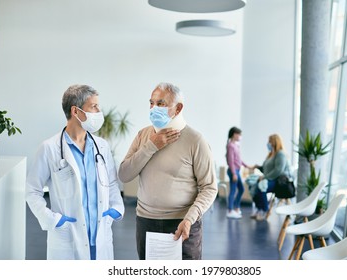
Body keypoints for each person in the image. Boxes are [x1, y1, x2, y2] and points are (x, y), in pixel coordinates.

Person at [118, 82, 217, 260]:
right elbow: (124, 174)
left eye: (161, 103)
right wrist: (151, 146)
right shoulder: (143, 136)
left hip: (183, 224)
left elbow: (210, 187)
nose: (153, 108)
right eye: (151, 103)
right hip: (146, 222)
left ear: (178, 108)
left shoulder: (196, 141)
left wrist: (189, 219)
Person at [26, 84, 125, 260]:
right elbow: (32, 191)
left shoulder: (101, 146)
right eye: (93, 106)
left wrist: (116, 209)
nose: (99, 111)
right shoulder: (49, 148)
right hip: (68, 236)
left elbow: (111, 183)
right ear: (76, 111)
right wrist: (52, 219)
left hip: (100, 234)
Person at [249, 134, 291, 221]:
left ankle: (265, 210)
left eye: (269, 141)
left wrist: (265, 177)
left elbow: (278, 170)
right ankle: (259, 208)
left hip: (278, 181)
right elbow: (266, 169)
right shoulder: (271, 154)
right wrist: (258, 167)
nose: (268, 143)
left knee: (261, 186)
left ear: (275, 142)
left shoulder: (280, 154)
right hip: (270, 178)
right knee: (252, 185)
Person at [225, 126, 248, 219]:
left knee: (241, 189)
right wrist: (234, 173)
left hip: (237, 170)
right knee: (233, 190)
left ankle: (236, 207)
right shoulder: (230, 145)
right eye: (239, 134)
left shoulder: (236, 145)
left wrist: (246, 165)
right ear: (235, 134)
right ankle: (230, 210)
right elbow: (231, 161)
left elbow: (238, 160)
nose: (240, 136)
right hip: (233, 171)